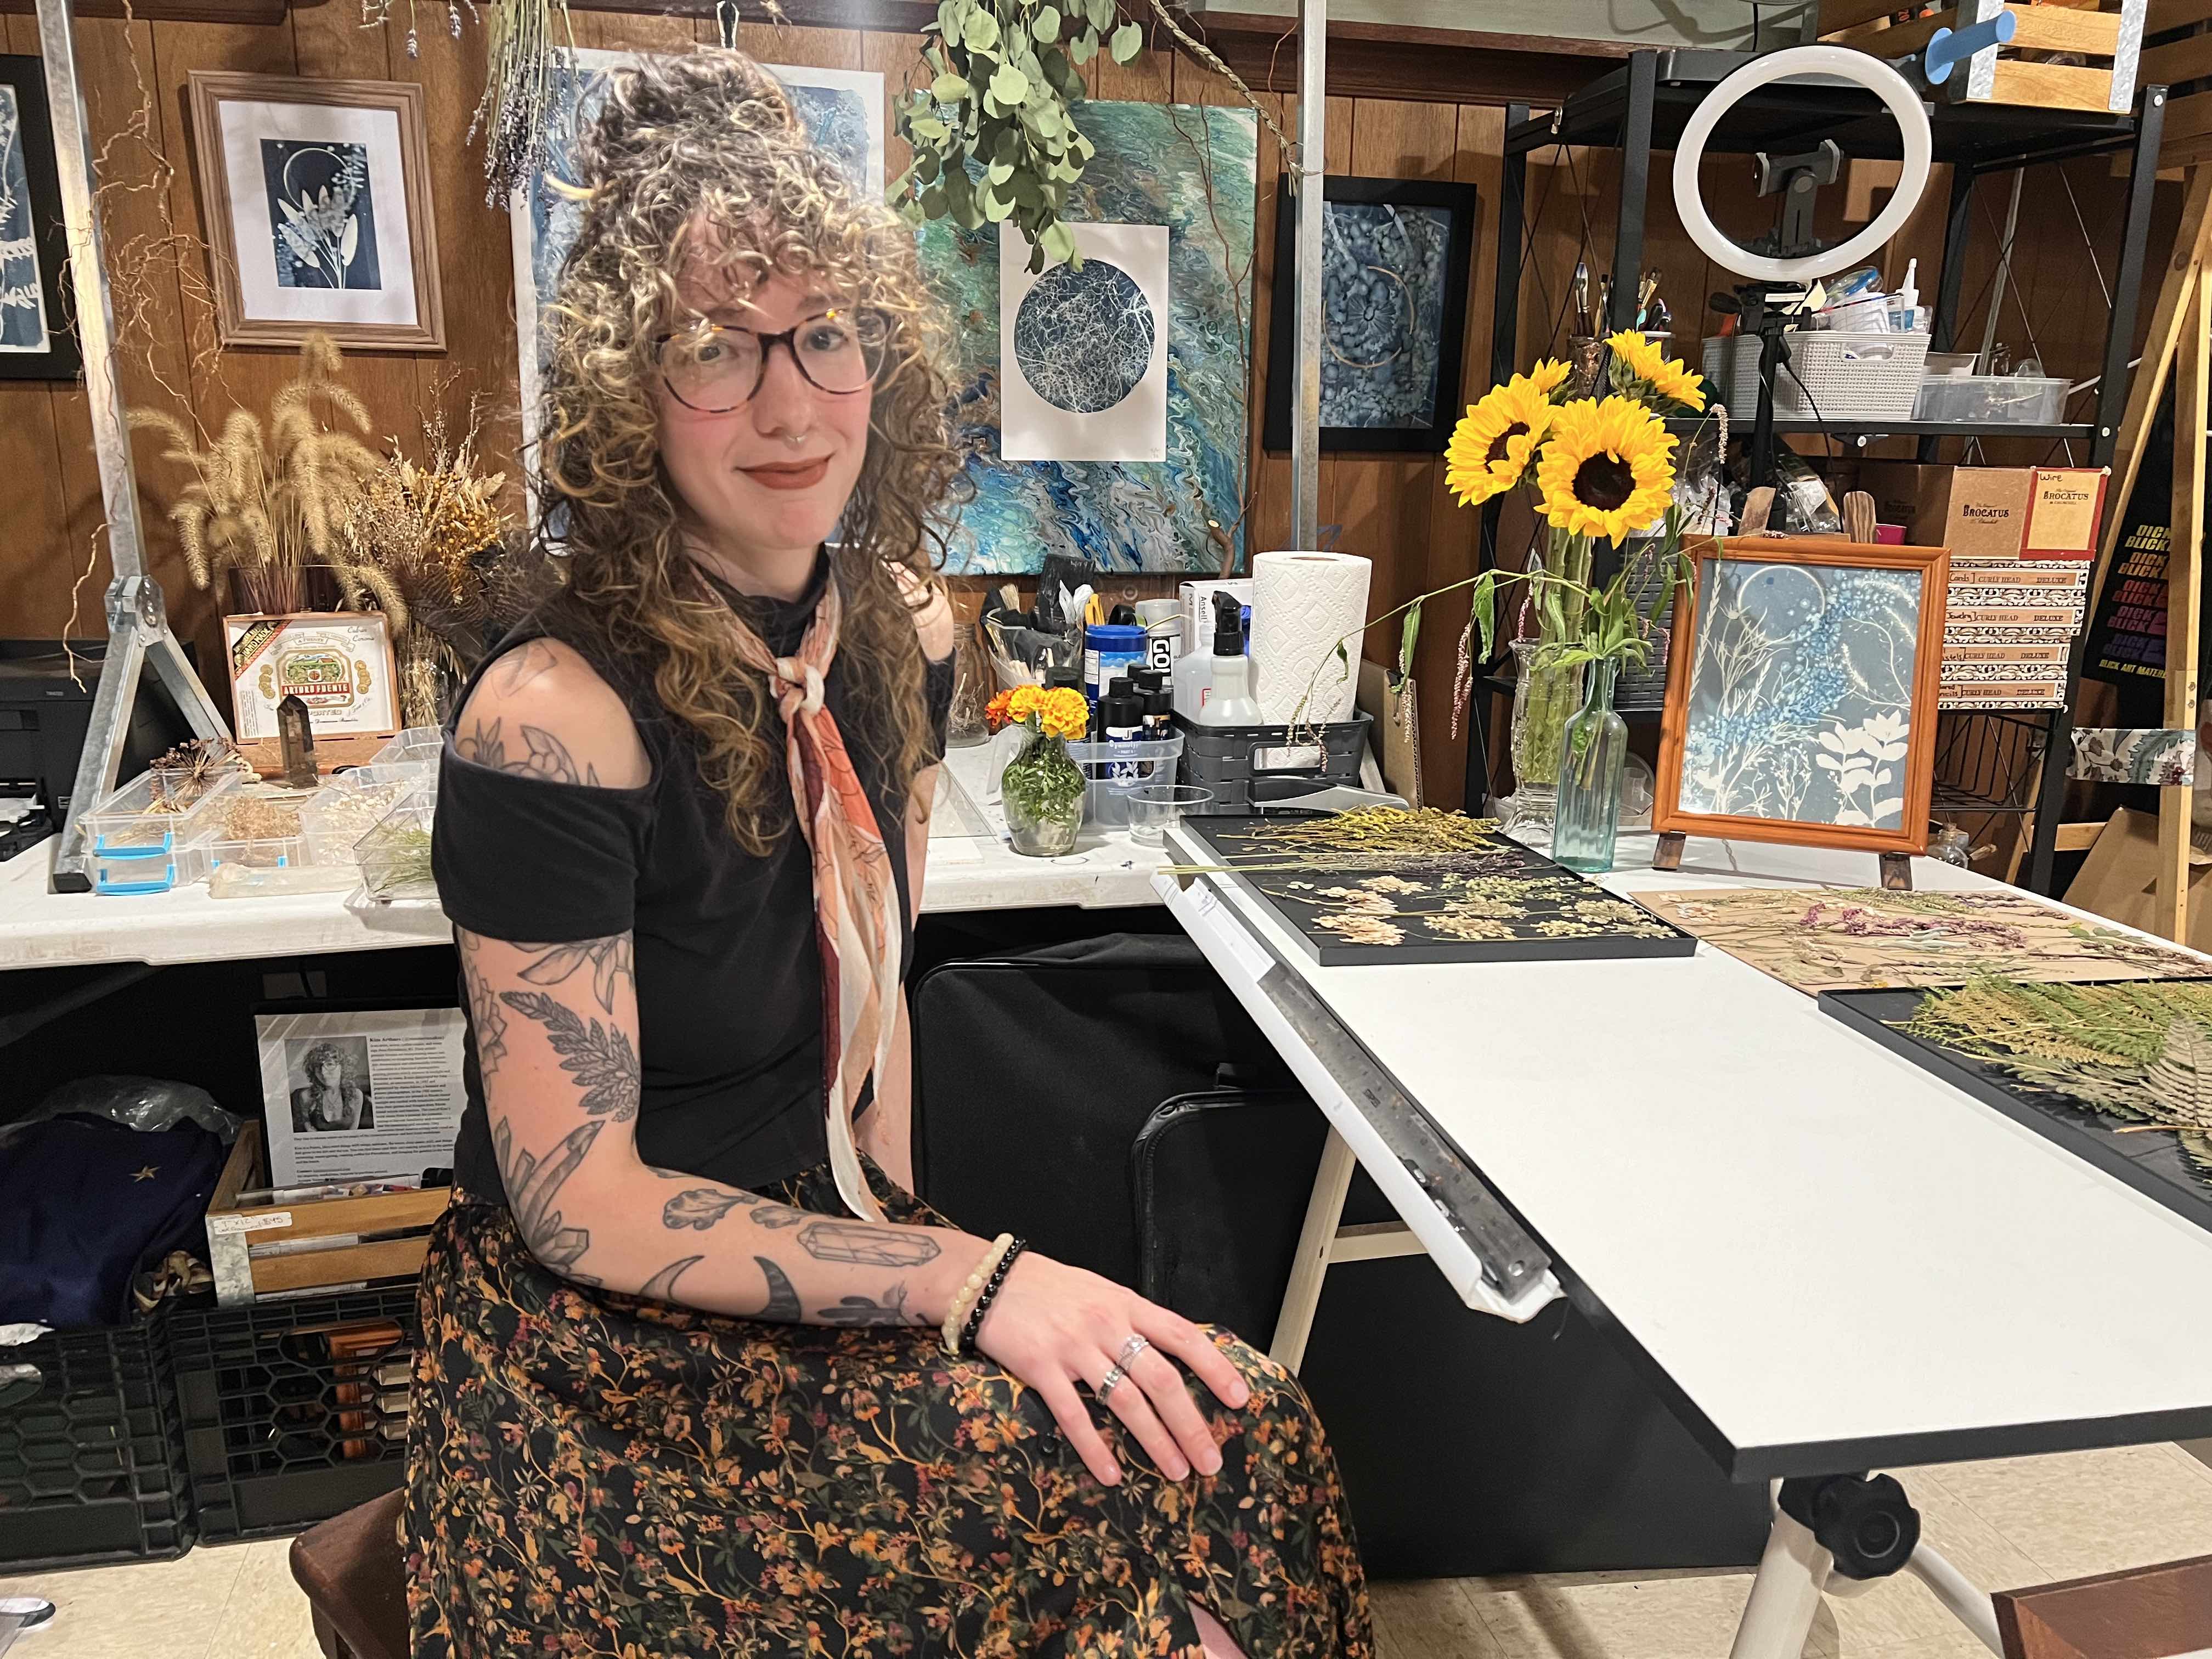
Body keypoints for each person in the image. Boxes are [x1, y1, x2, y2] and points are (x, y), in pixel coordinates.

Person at [409, 48, 1370, 1658]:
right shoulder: (555, 713)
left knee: (1245, 1431)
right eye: (714, 348)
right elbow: (581, 1206)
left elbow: (880, 1008)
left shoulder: (899, 631)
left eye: (826, 334)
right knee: (1120, 1571)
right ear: (626, 391)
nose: (791, 405)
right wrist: (966, 1289)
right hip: (592, 1356)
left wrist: (925, 1249)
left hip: (831, 1251)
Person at [290, 1042, 366, 1132]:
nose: (323, 1072)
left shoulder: (356, 1095)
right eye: (318, 1067)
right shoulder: (306, 1096)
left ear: (342, 1067)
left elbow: (354, 1130)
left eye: (330, 1064)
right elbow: (309, 1129)